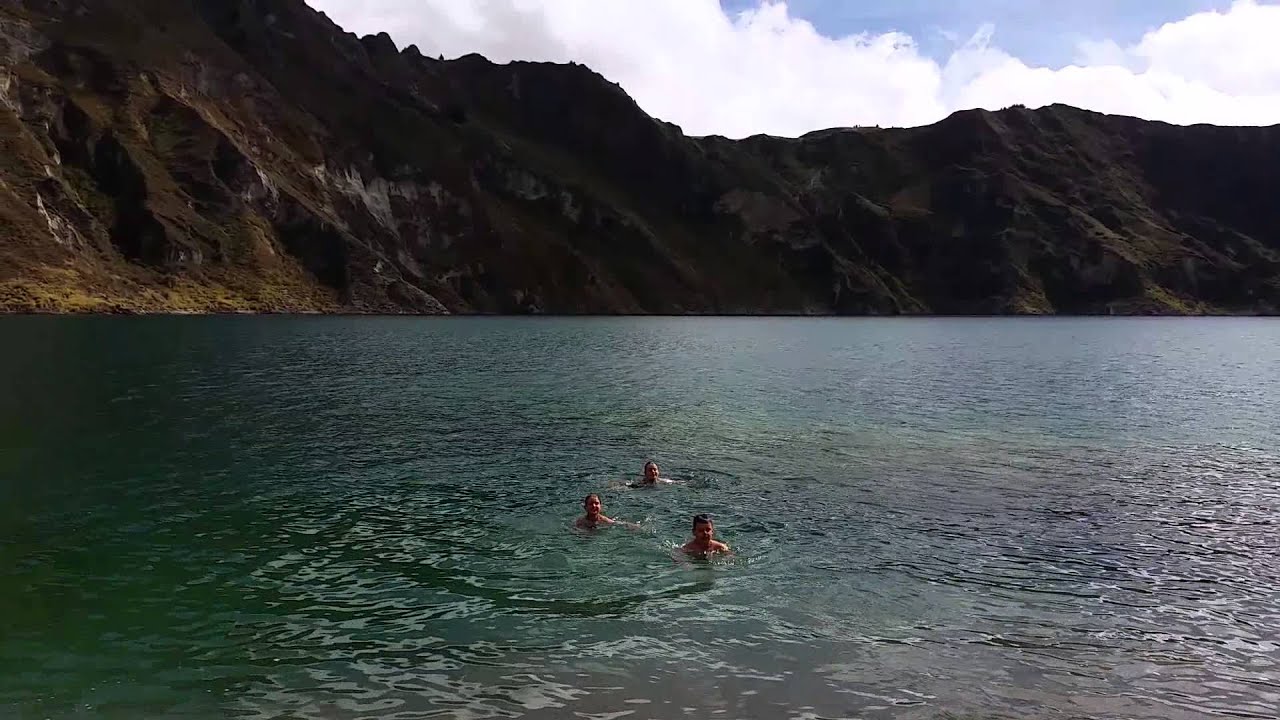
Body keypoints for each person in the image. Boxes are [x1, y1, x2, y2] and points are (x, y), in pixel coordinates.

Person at [575, 493, 640, 530]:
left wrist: (632, 526)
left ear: (600, 506)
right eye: (591, 504)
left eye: (596, 503)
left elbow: (618, 523)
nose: (594, 506)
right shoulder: (580, 522)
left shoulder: (604, 520)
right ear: (585, 507)